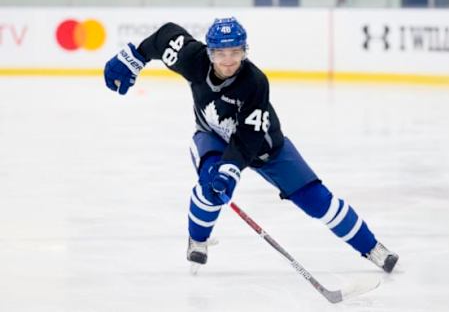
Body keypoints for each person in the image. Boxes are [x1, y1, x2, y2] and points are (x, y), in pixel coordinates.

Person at [104, 17, 399, 273]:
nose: (229, 60)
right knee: (210, 187)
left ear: (245, 51)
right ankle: (198, 239)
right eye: (221, 53)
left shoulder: (254, 81)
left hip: (266, 147)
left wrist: (230, 170)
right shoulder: (192, 58)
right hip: (212, 136)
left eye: (236, 52)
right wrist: (134, 57)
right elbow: (164, 35)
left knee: (318, 200)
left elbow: (248, 137)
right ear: (209, 52)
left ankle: (372, 247)